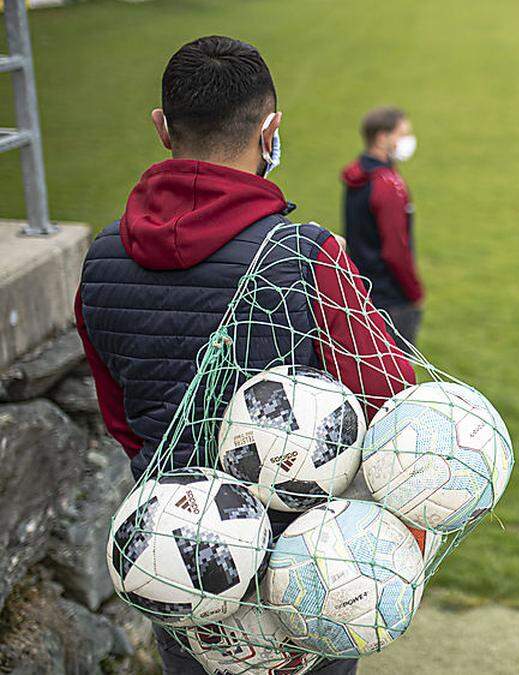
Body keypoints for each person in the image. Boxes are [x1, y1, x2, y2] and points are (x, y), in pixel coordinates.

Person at [74, 36, 419, 673]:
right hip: (300, 578)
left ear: (162, 128)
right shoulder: (306, 257)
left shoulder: (100, 262)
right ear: (271, 131)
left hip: (177, 561)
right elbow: (394, 405)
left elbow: (120, 417)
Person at [342, 107, 423, 349]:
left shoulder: (357, 176)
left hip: (363, 291)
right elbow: (395, 250)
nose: (408, 140)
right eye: (402, 134)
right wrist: (414, 293)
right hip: (392, 300)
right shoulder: (389, 186)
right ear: (382, 137)